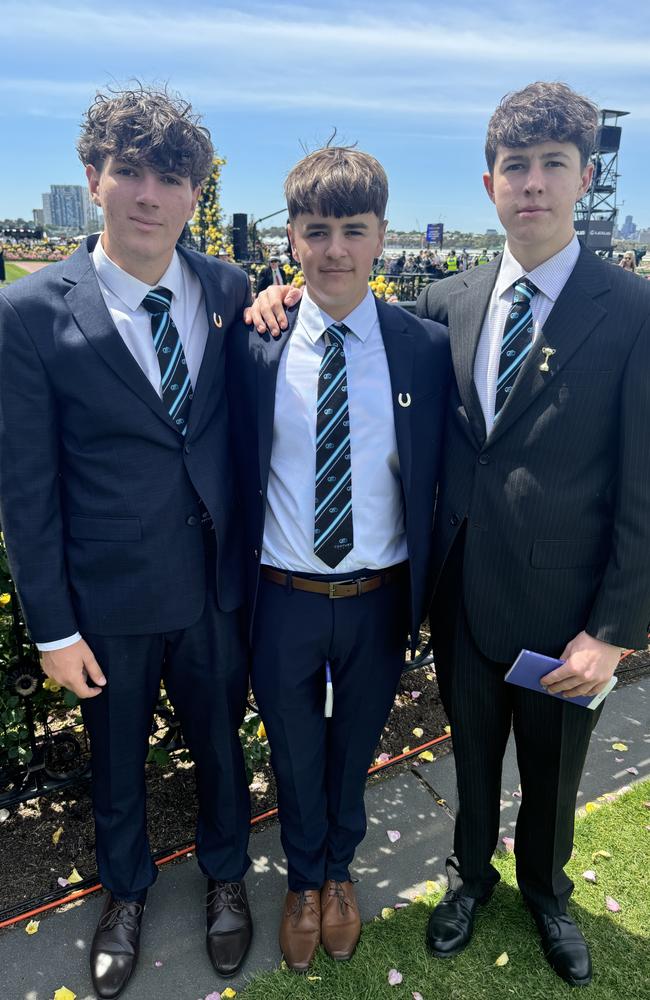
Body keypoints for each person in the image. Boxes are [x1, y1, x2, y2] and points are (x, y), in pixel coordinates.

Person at [0, 85, 253, 999]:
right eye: (131, 171)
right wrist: (51, 628)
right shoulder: (30, 314)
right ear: (94, 178)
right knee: (117, 765)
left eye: (172, 176)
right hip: (107, 603)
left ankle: (228, 877)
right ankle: (127, 892)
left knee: (223, 746)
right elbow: (25, 486)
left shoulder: (229, 289)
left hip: (218, 588)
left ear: (196, 193)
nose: (150, 194)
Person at [416, 81, 650, 988]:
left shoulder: (631, 312)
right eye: (516, 167)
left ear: (584, 178)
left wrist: (615, 629)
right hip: (464, 594)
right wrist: (277, 300)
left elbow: (643, 484)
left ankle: (546, 892)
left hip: (567, 609)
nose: (534, 184)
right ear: (489, 183)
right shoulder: (446, 301)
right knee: (471, 755)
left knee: (554, 773)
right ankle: (470, 877)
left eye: (554, 165)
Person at [229, 146, 450, 972]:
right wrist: (263, 300)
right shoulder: (256, 343)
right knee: (291, 747)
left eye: (353, 231)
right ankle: (301, 879)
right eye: (316, 231)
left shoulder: (421, 348)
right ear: (291, 237)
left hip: (376, 594)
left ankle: (340, 873)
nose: (334, 250)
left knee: (354, 745)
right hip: (281, 592)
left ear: (382, 237)